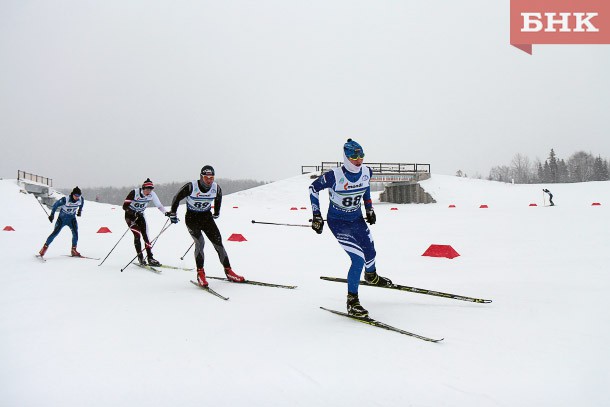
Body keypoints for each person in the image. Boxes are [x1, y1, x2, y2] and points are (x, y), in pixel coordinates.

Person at [309, 139, 392, 317]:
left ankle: (371, 276)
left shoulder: (367, 172)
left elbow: (366, 187)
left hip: (356, 219)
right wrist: (316, 214)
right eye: (354, 155)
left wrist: (369, 208)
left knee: (371, 252)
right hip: (338, 223)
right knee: (358, 259)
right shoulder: (334, 175)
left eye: (361, 155)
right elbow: (313, 188)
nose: (358, 159)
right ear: (346, 157)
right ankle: (352, 301)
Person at [166, 165, 244, 287]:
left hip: (206, 218)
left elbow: (218, 198)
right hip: (192, 218)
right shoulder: (191, 186)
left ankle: (229, 271)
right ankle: (200, 273)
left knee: (218, 243)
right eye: (207, 178)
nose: (209, 180)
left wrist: (216, 212)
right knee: (200, 243)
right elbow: (176, 198)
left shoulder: (216, 187)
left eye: (211, 178)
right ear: (201, 177)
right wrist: (173, 213)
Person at [123, 178, 169, 266]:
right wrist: (134, 213)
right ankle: (140, 257)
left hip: (140, 216)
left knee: (146, 236)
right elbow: (124, 206)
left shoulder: (152, 194)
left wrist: (167, 213)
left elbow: (159, 205)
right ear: (143, 188)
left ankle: (150, 258)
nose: (149, 191)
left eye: (151, 189)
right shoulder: (134, 193)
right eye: (147, 189)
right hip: (130, 216)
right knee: (137, 235)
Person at [38, 186, 85, 258]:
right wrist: (52, 215)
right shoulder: (65, 199)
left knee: (75, 233)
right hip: (62, 219)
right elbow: (55, 205)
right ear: (72, 194)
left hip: (72, 218)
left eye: (78, 196)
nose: (77, 197)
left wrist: (79, 211)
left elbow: (81, 205)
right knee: (55, 233)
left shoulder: (80, 199)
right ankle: (43, 249)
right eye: (75, 196)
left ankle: (73, 250)